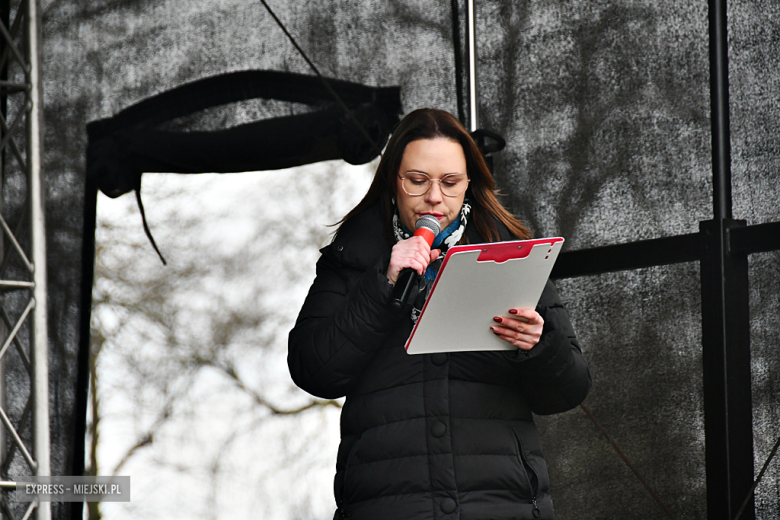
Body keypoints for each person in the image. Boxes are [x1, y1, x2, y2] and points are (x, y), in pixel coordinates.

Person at [288, 108, 591, 520]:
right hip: (389, 504)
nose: (434, 196)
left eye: (450, 183)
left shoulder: (511, 253)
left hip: (502, 503)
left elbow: (569, 389)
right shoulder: (353, 257)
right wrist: (382, 283)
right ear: (393, 182)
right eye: (417, 181)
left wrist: (540, 343)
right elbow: (313, 370)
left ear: (469, 184)